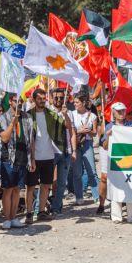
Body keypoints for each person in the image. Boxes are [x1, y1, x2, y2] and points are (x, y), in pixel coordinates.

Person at [27, 89, 67, 223]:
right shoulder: (28, 115)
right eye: (39, 98)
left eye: (44, 98)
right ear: (33, 99)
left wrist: (65, 115)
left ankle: (41, 212)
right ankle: (28, 213)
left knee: (46, 185)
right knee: (31, 186)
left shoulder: (50, 114)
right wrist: (31, 158)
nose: (42, 101)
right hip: (33, 157)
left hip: (49, 155)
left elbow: (65, 125)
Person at [0, 94, 33, 229]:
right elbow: (4, 138)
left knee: (17, 189)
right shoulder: (2, 118)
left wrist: (32, 159)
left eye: (21, 101)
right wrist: (13, 122)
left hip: (23, 157)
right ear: (10, 102)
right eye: (16, 101)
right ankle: (7, 218)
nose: (19, 103)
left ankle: (14, 217)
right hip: (8, 158)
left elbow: (31, 140)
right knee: (8, 189)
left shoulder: (27, 117)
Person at [101, 102, 132, 223]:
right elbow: (104, 146)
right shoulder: (109, 127)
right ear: (113, 112)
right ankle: (116, 216)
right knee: (115, 187)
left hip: (129, 161)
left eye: (123, 110)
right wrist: (108, 136)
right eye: (118, 111)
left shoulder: (131, 125)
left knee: (130, 186)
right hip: (115, 162)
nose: (121, 113)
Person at [48, 88, 77, 216]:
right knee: (45, 183)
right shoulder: (47, 112)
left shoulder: (69, 113)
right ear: (51, 98)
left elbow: (71, 131)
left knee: (61, 183)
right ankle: (40, 207)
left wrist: (74, 150)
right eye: (56, 98)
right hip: (49, 152)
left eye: (61, 97)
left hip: (65, 152)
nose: (59, 100)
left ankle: (56, 207)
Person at [71, 93, 99, 206]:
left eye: (77, 102)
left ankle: (97, 196)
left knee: (92, 171)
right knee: (77, 172)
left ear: (83, 103)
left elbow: (94, 133)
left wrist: (88, 131)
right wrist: (79, 131)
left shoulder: (92, 116)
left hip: (87, 143)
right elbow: (69, 131)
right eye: (74, 102)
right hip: (75, 144)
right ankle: (79, 196)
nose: (75, 104)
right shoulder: (71, 114)